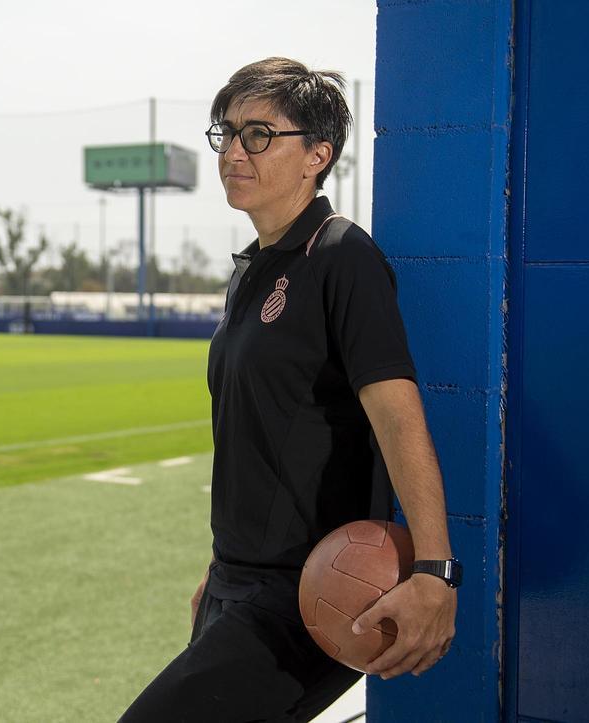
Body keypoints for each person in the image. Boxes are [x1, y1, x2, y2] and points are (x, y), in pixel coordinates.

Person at [119, 57, 459, 722]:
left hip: (307, 595)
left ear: (317, 154)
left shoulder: (341, 256)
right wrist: (219, 575)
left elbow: (399, 416)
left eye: (259, 134)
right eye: (228, 132)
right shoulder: (251, 271)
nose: (234, 152)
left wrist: (435, 570)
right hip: (233, 583)